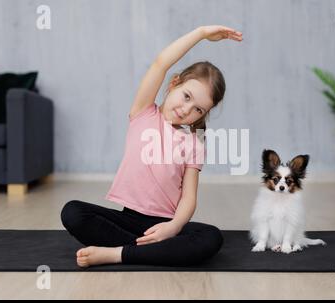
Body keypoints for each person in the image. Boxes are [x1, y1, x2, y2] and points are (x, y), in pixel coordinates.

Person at [61, 25, 243, 267]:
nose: (187, 109)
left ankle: (117, 254)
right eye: (186, 96)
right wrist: (201, 33)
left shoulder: (193, 143)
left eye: (198, 109)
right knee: (73, 212)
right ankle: (153, 252)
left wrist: (173, 228)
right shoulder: (144, 113)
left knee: (211, 237)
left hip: (164, 225)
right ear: (173, 84)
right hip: (127, 221)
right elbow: (160, 63)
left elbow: (189, 198)